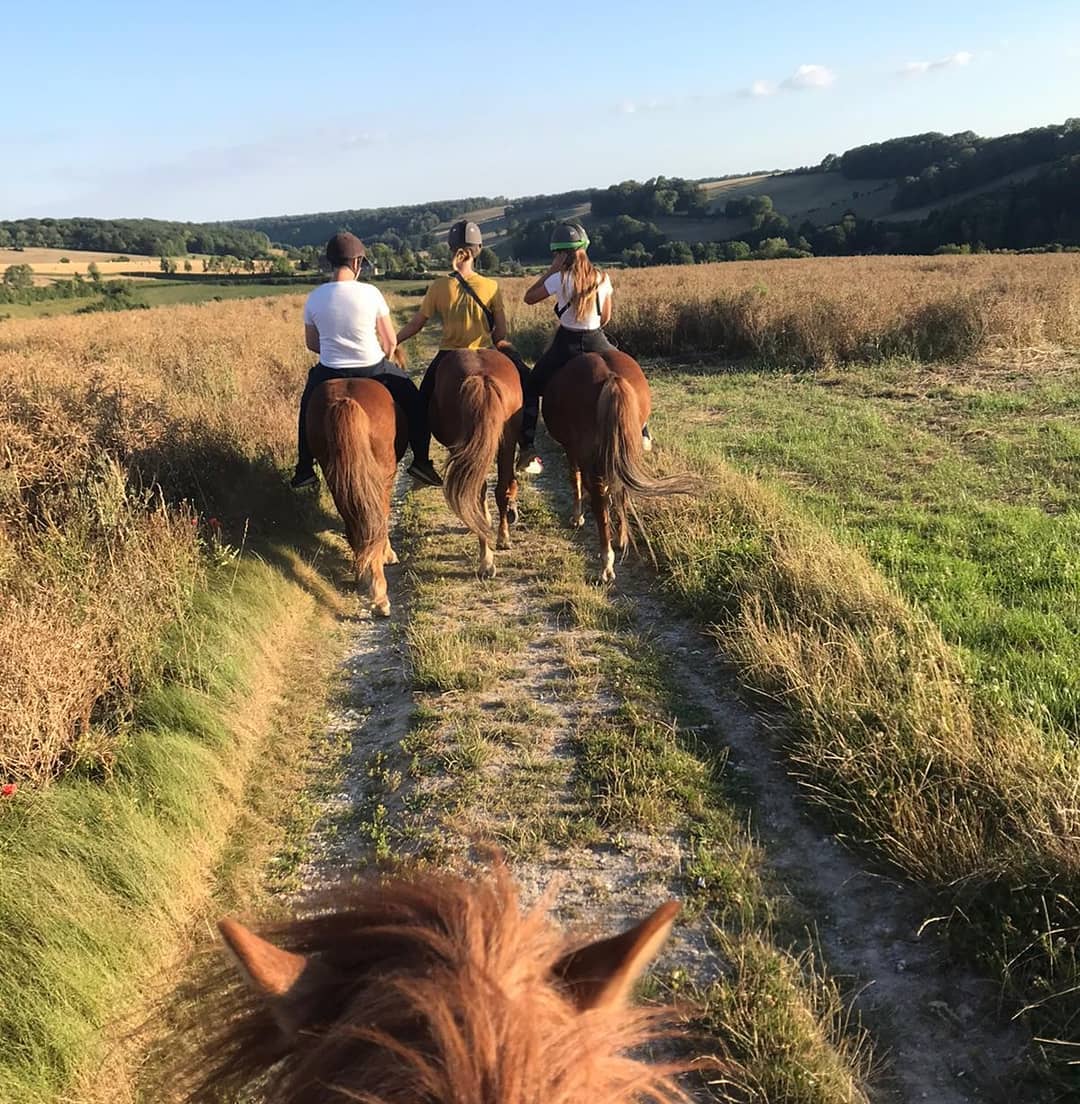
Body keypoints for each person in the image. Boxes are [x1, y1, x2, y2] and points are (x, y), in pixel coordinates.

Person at [291, 231, 442, 489]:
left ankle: (304, 467)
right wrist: (383, 358)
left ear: (330, 262)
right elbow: (390, 341)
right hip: (373, 368)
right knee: (415, 401)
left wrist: (335, 350)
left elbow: (311, 343)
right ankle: (421, 462)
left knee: (307, 407)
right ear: (357, 263)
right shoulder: (371, 293)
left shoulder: (315, 297)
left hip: (329, 370)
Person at [520, 222, 651, 460]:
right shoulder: (603, 277)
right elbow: (606, 317)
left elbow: (529, 298)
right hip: (597, 339)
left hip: (567, 343)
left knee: (530, 385)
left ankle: (528, 446)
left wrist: (551, 270)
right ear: (585, 247)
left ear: (559, 254)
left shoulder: (559, 278)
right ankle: (642, 431)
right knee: (629, 375)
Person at [396, 220, 531, 444]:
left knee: (421, 404)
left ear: (451, 248)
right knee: (527, 385)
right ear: (478, 250)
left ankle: (421, 461)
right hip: (486, 349)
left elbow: (416, 325)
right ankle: (527, 444)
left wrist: (393, 341)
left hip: (448, 354)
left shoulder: (439, 286)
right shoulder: (491, 286)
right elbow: (501, 332)